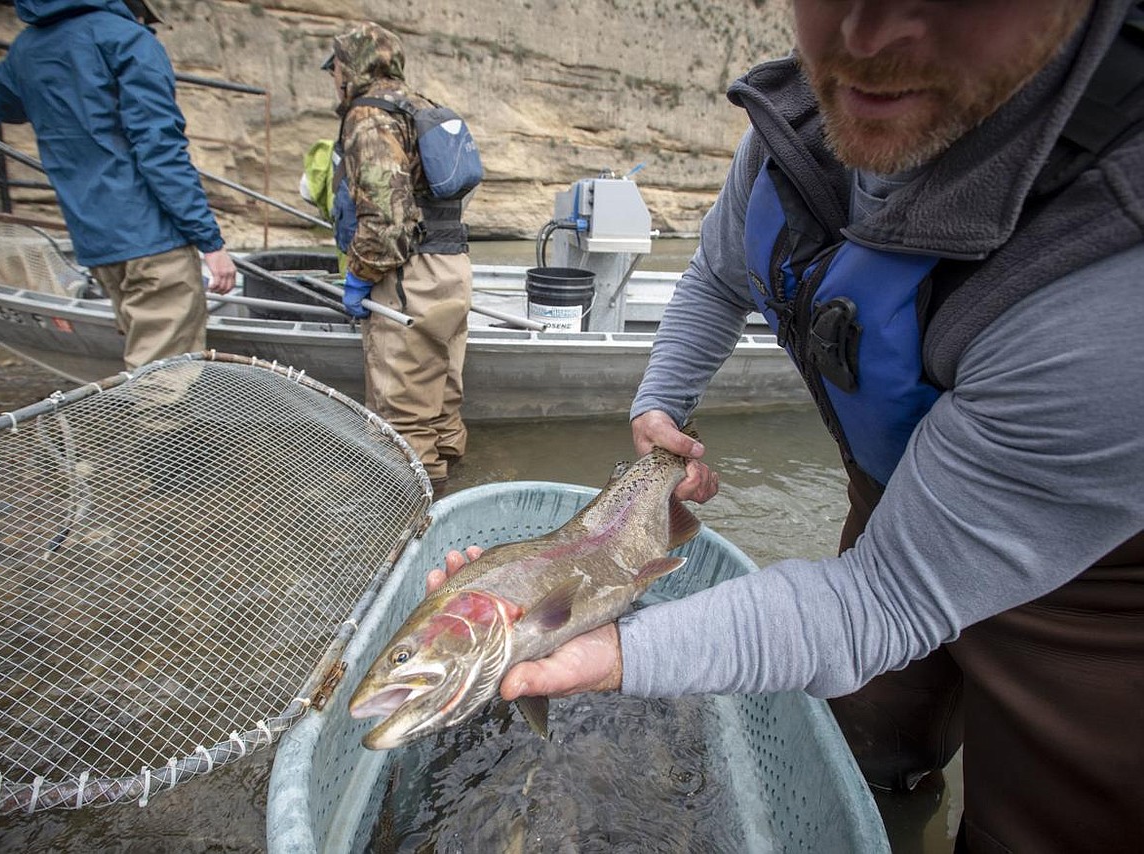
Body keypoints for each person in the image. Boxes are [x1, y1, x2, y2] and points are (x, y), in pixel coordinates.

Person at [432, 1, 1144, 850]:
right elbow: (715, 277)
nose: (870, 38)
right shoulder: (798, 134)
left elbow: (884, 599)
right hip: (894, 503)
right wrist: (661, 406)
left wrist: (620, 651)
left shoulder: (1110, 278)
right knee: (870, 736)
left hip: (1094, 585)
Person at [0, 0, 236, 370]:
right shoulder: (126, 39)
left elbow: (0, 102)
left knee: (142, 358)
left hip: (96, 239)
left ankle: (133, 419)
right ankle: (142, 427)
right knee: (165, 380)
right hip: (152, 236)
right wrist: (210, 243)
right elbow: (160, 150)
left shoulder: (25, 48)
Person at [324, 22, 472, 496]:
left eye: (336, 69)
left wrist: (359, 275)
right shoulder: (422, 106)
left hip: (408, 278)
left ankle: (412, 524)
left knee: (400, 420)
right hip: (452, 270)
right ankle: (456, 497)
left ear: (351, 67)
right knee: (443, 404)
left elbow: (388, 225)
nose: (334, 79)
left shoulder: (369, 116)